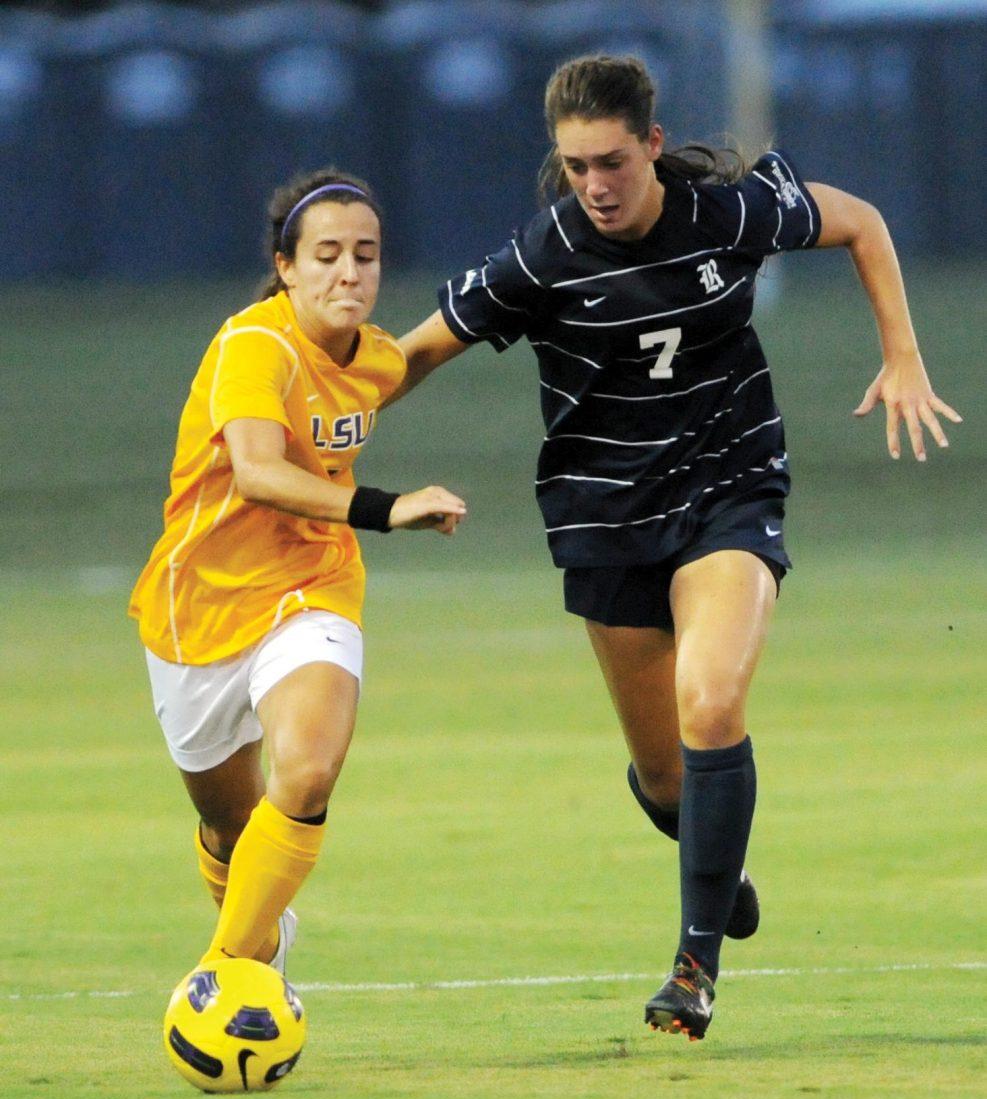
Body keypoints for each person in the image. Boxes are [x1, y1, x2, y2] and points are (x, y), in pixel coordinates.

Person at [393, 55, 961, 1040]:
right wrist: (310, 424)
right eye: (574, 167)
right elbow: (414, 354)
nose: (595, 185)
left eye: (610, 160)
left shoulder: (726, 216)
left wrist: (902, 353)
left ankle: (694, 968)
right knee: (667, 778)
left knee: (713, 702)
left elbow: (860, 221)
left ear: (651, 146)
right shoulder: (543, 255)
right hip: (604, 523)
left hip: (727, 492)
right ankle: (710, 851)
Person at [129, 169, 467, 979]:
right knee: (229, 829)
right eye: (325, 256)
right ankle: (256, 938)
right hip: (198, 606)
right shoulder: (256, 345)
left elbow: (412, 356)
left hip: (312, 586)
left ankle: (225, 975)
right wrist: (387, 506)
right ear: (286, 267)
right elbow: (255, 471)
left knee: (309, 770)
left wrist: (511, 290)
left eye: (365, 254)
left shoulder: (369, 356)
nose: (348, 272)